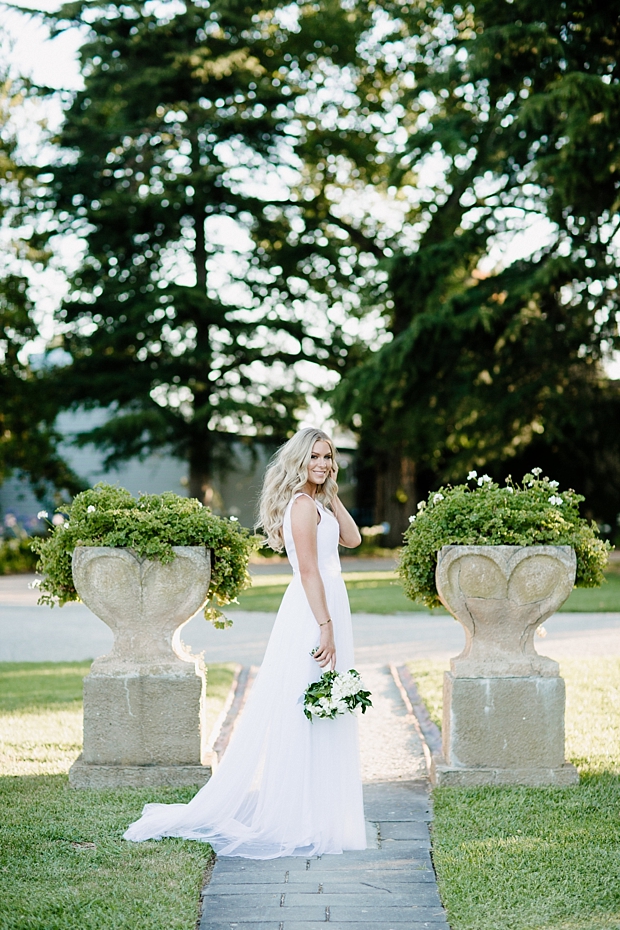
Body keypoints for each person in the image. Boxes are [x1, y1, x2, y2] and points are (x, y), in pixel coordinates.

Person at [123, 427, 366, 858]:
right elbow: (309, 571)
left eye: (328, 457)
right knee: (306, 704)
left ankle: (317, 811)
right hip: (314, 611)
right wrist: (325, 625)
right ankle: (298, 815)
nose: (323, 464)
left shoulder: (318, 503)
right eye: (314, 457)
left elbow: (353, 538)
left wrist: (332, 492)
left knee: (324, 706)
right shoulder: (301, 507)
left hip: (327, 607)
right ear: (298, 461)